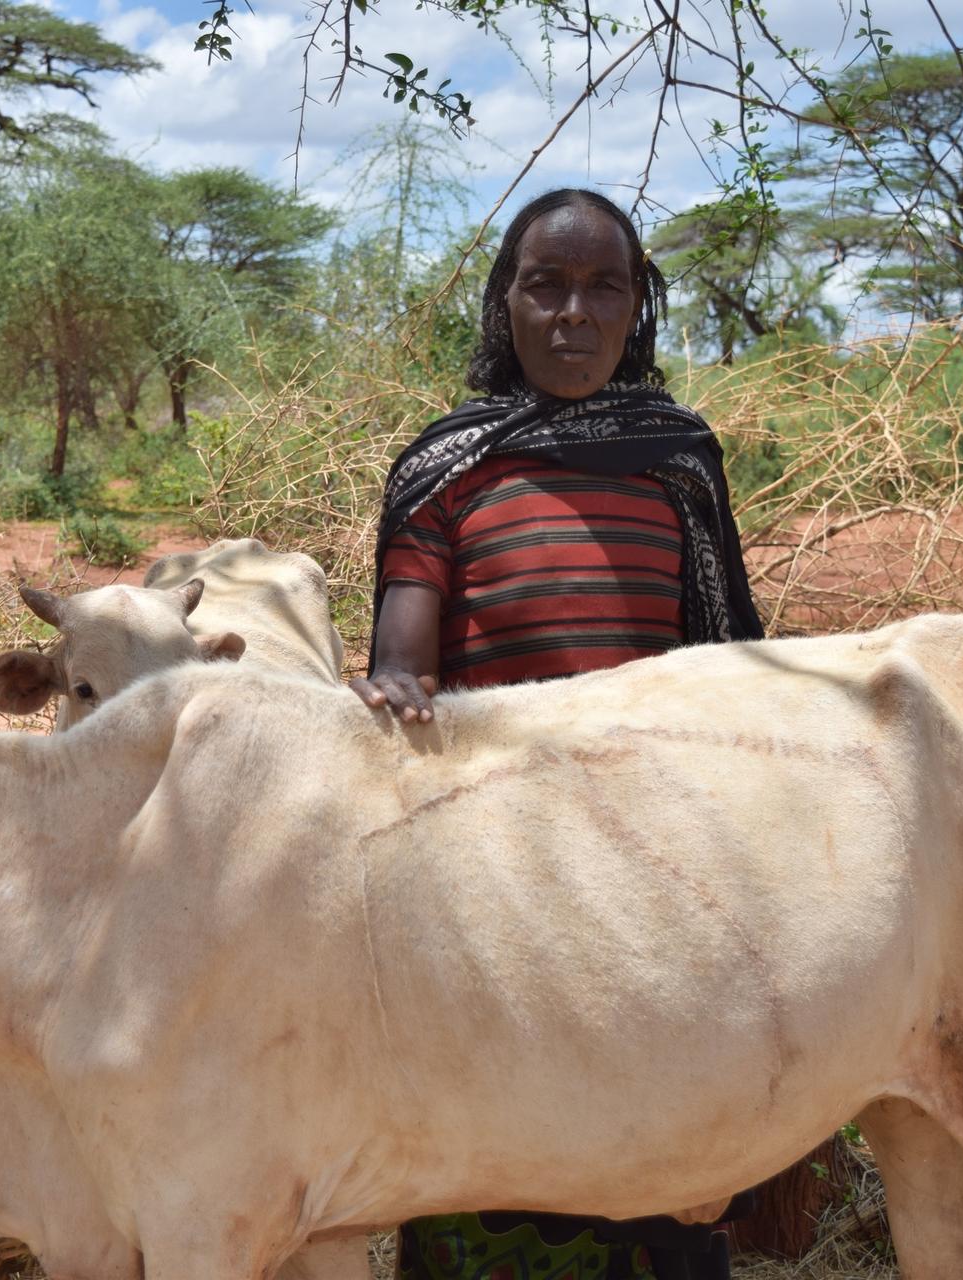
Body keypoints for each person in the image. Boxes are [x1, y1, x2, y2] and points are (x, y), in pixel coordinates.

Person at [350, 188, 764, 1280]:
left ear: (638, 309)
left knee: (665, 1146)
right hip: (495, 867)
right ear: (505, 303)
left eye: (603, 286)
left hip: (658, 863)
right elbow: (406, 645)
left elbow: (722, 654)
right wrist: (394, 684)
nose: (573, 312)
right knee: (488, 1131)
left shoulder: (677, 458)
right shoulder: (447, 465)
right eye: (546, 284)